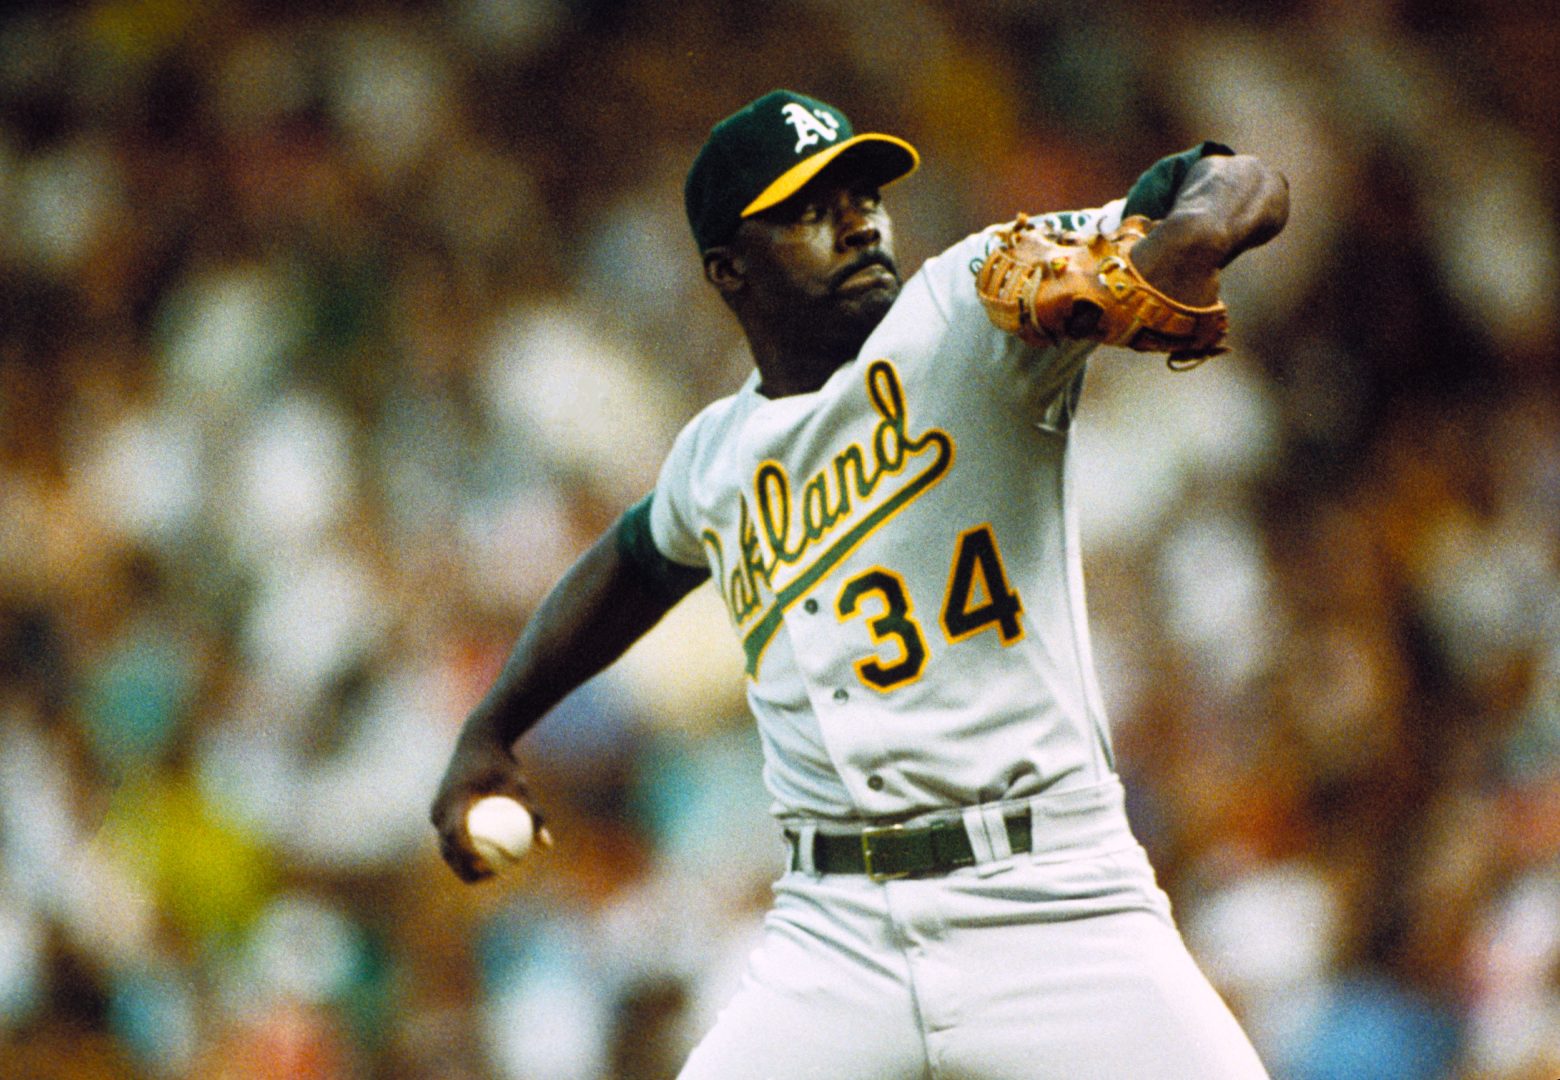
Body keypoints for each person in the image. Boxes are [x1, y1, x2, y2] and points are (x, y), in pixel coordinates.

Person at [431, 88, 1289, 1078]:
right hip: (835, 936)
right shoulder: (714, 458)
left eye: (862, 195)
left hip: (1054, 900)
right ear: (728, 269)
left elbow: (1236, 179)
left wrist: (1184, 234)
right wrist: (490, 727)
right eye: (806, 209)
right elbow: (630, 566)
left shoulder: (966, 306)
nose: (856, 223)